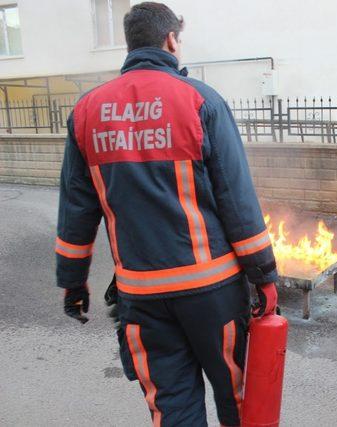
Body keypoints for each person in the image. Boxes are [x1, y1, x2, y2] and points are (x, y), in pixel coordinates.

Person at [55, 3, 278, 425]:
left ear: (130, 42)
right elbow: (237, 199)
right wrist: (264, 275)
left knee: (171, 405)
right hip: (212, 290)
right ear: (172, 39)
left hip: (141, 297)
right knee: (238, 398)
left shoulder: (86, 112)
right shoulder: (201, 100)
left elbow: (76, 208)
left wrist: (72, 282)